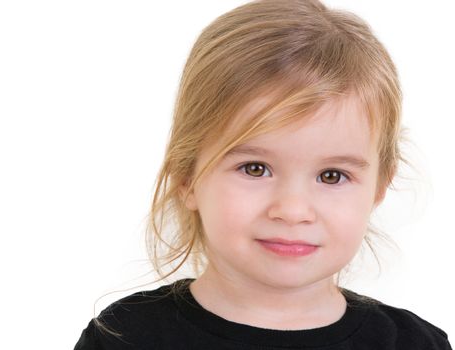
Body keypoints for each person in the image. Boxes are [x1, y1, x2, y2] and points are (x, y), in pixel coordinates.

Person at [74, 0, 452, 348]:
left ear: (379, 188)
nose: (292, 210)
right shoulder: (125, 338)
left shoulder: (416, 344)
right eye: (255, 168)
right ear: (186, 176)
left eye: (332, 176)